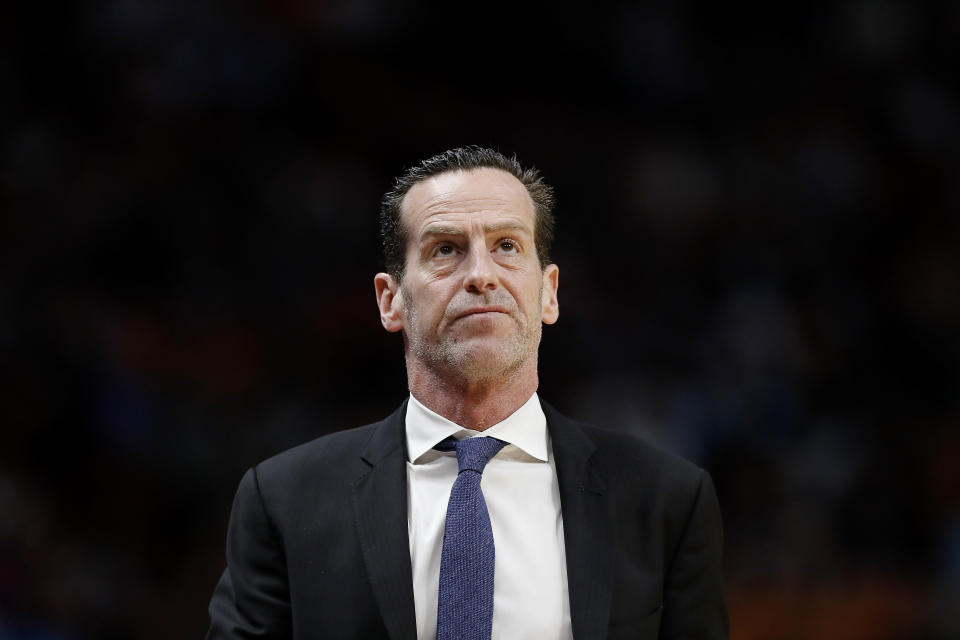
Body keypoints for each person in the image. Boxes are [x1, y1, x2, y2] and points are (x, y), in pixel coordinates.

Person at [206, 146, 729, 640]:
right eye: (446, 249)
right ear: (391, 300)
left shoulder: (666, 499)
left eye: (507, 245)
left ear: (548, 292)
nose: (481, 275)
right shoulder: (283, 499)